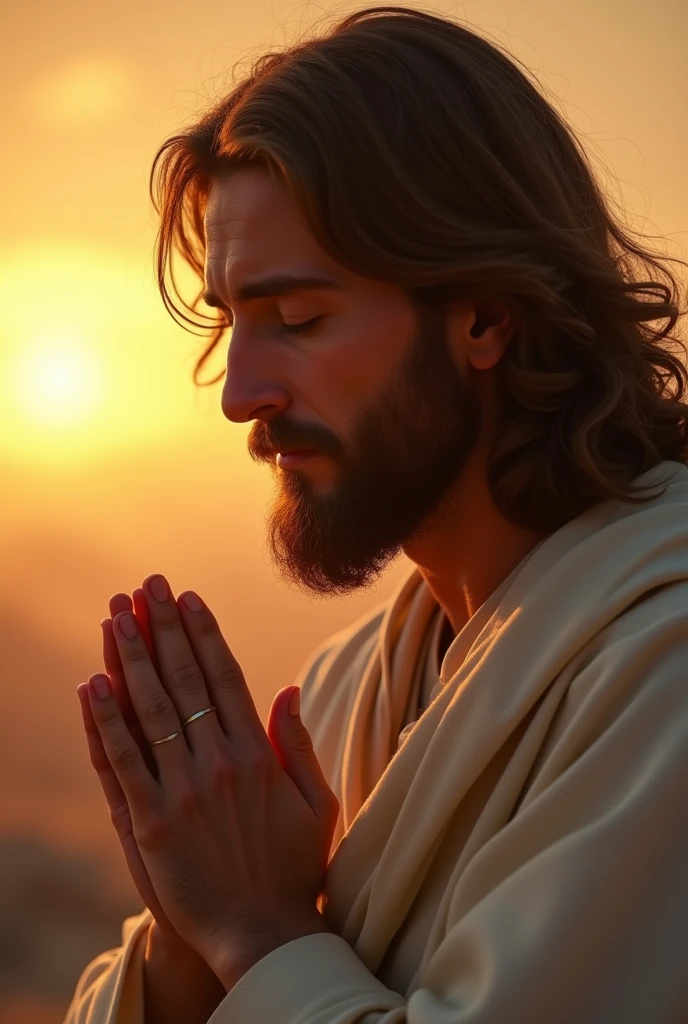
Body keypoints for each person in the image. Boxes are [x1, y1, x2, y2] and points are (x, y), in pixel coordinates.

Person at [65, 6, 688, 1023]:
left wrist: (257, 929)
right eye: (232, 323)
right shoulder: (348, 687)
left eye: (298, 320)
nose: (238, 392)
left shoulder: (662, 669)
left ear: (484, 316)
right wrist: (189, 926)